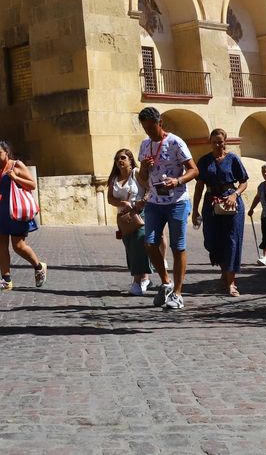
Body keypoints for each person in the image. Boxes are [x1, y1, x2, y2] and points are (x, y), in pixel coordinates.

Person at [137, 107, 198, 311]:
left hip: (177, 201)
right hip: (154, 201)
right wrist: (145, 167)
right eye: (145, 129)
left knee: (177, 246)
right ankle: (166, 281)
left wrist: (178, 180)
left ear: (160, 122)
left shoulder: (175, 142)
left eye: (151, 128)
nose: (149, 133)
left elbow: (194, 169)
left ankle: (178, 294)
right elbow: (142, 179)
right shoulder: (145, 145)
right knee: (149, 243)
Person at [191, 128, 250, 297]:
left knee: (231, 240)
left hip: (231, 203)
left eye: (221, 141)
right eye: (215, 142)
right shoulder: (204, 161)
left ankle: (231, 282)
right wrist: (195, 210)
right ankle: (224, 274)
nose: (218, 144)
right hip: (210, 203)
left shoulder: (233, 159)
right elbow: (199, 186)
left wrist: (234, 194)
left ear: (225, 142)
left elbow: (243, 182)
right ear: (210, 142)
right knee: (212, 240)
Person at [0, 140, 47, 291]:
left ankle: (39, 266)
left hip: (15, 210)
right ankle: (6, 280)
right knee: (0, 244)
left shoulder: (16, 165)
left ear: (6, 152)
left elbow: (32, 184)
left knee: (18, 245)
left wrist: (15, 177)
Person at [106, 148, 159, 296]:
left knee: (138, 245)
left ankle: (137, 282)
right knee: (130, 247)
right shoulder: (114, 179)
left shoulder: (135, 174)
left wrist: (142, 201)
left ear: (130, 160)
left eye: (123, 158)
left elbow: (150, 189)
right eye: (117, 159)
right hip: (123, 218)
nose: (119, 161)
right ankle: (144, 277)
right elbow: (110, 198)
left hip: (139, 214)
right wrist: (122, 203)